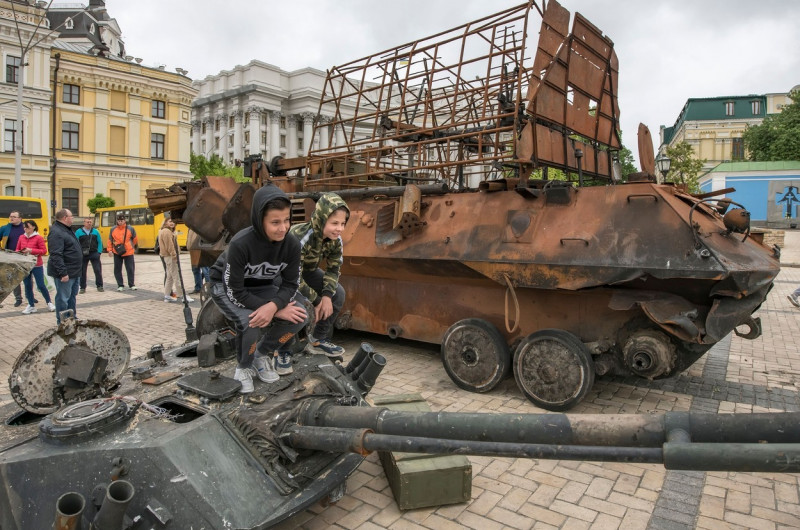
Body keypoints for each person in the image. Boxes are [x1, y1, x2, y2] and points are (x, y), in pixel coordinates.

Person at [208, 185, 308, 393]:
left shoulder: (292, 245)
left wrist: (274, 306)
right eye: (275, 222)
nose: (283, 228)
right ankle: (243, 367)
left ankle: (260, 355)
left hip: (261, 286)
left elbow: (290, 284)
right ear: (259, 219)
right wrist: (273, 308)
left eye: (287, 220)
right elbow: (235, 290)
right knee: (250, 321)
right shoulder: (241, 244)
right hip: (225, 287)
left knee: (300, 315)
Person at [288, 193, 349, 357]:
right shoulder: (300, 236)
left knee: (338, 294)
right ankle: (282, 350)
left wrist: (327, 296)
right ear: (321, 219)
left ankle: (317, 340)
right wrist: (316, 300)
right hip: (283, 275)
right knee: (299, 307)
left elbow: (334, 269)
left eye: (343, 223)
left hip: (307, 271)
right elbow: (293, 276)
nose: (340, 228)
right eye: (334, 223)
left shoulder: (336, 240)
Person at [47, 209, 82, 324]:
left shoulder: (66, 229)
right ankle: (62, 322)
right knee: (63, 298)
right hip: (65, 273)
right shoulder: (57, 232)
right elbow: (56, 255)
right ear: (65, 218)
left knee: (72, 297)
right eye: (71, 216)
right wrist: (63, 273)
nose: (73, 218)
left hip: (74, 271)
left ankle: (72, 319)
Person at [15, 220, 55, 314]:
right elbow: (17, 248)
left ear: (33, 227)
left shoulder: (38, 237)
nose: (25, 229)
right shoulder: (21, 237)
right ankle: (31, 305)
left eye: (27, 227)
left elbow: (44, 251)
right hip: (25, 265)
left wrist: (31, 250)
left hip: (37, 264)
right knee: (27, 285)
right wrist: (19, 252)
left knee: (41, 284)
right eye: (24, 227)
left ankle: (49, 302)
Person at [158, 217, 193, 303]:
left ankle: (167, 295)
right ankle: (182, 295)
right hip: (170, 257)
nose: (172, 223)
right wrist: (174, 256)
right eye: (170, 221)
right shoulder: (166, 232)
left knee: (169, 277)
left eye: (173, 221)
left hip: (167, 257)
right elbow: (170, 246)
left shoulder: (164, 231)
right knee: (176, 276)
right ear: (165, 222)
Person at [0, 210, 26, 307]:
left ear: (20, 218)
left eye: (14, 217)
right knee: (15, 279)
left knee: (27, 279)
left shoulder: (25, 228)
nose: (11, 218)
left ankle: (30, 296)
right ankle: (18, 298)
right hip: (10, 257)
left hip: (23, 257)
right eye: (11, 216)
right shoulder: (5, 228)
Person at [108, 214, 138, 291]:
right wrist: (110, 250)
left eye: (122, 220)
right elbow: (110, 240)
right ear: (117, 221)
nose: (120, 222)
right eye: (119, 221)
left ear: (125, 220)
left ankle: (131, 284)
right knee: (117, 269)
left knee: (130, 268)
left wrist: (131, 246)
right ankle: (120, 285)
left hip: (128, 251)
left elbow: (135, 239)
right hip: (117, 251)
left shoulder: (130, 228)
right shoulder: (113, 229)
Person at [75, 217, 104, 293]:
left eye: (90, 222)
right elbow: (76, 243)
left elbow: (100, 242)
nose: (89, 223)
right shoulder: (78, 232)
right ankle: (82, 287)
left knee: (97, 270)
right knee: (82, 271)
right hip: (83, 254)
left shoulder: (95, 231)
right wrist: (78, 253)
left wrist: (99, 252)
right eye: (87, 222)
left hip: (94, 253)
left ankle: (99, 285)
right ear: (84, 223)